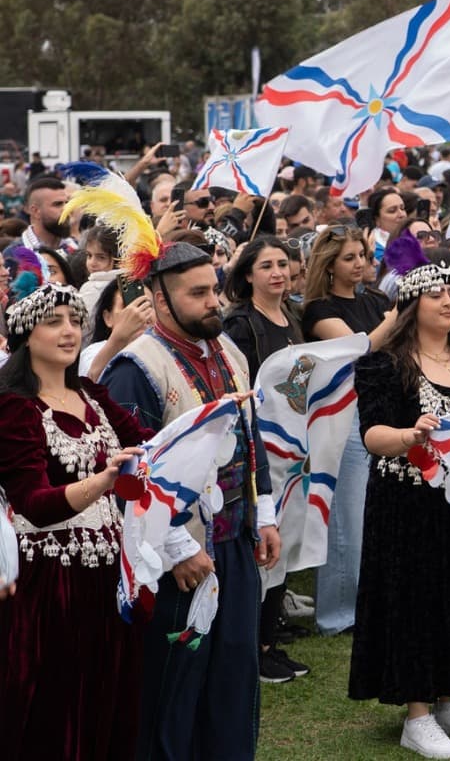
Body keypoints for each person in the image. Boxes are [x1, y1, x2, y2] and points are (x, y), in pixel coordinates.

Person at [101, 242, 280, 761]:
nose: (212, 303)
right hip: (175, 557)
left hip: (236, 542)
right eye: (196, 293)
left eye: (214, 290)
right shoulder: (137, 367)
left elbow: (252, 438)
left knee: (233, 677)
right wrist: (178, 547)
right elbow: (131, 472)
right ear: (158, 298)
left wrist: (264, 512)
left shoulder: (231, 352)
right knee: (172, 691)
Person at [349, 248, 450, 760]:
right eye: (435, 293)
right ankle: (417, 714)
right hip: (407, 503)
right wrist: (411, 433)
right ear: (411, 303)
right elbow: (372, 435)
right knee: (416, 599)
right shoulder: (383, 365)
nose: (448, 301)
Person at [0, 281, 148, 760]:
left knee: (106, 700)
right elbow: (33, 503)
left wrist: (209, 419)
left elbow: (149, 443)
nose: (69, 331)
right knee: (51, 709)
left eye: (73, 321)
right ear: (26, 335)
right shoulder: (14, 407)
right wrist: (101, 482)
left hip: (108, 577)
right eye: (54, 322)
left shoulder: (90, 392)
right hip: (49, 585)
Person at [222, 238, 309, 684]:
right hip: (259, 449)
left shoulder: (292, 316)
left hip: (293, 451)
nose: (278, 272)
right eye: (267, 266)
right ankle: (256, 646)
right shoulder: (241, 324)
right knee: (263, 544)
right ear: (248, 274)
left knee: (286, 540)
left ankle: (270, 636)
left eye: (283, 264)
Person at [301, 226, 394, 637]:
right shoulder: (318, 310)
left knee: (378, 514)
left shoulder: (375, 300)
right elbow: (360, 349)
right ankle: (338, 615)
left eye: (363, 255)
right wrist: (396, 320)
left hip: (382, 410)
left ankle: (372, 602)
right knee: (347, 519)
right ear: (330, 265)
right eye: (350, 258)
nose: (360, 264)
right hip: (343, 416)